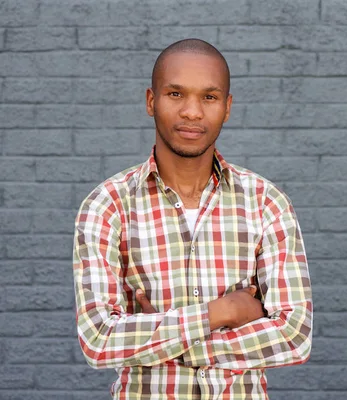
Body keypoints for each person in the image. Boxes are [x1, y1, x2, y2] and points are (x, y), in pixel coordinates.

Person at [72, 38, 312, 399]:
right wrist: (223, 312)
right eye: (175, 94)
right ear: (151, 101)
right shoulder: (107, 206)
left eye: (209, 97)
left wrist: (169, 341)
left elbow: (294, 336)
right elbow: (99, 340)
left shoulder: (266, 202)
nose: (192, 112)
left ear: (227, 107)